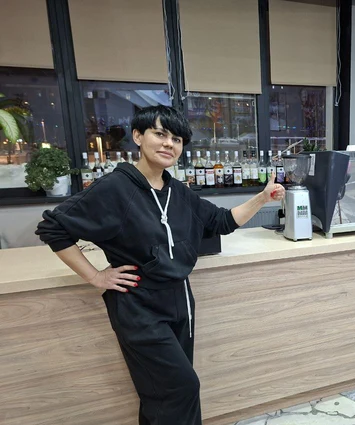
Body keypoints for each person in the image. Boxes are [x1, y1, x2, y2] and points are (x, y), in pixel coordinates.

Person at [35, 105, 285, 425]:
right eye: (160, 134)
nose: (169, 144)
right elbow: (53, 228)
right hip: (139, 308)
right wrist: (95, 276)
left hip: (180, 303)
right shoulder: (115, 188)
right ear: (138, 137)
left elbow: (222, 221)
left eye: (177, 139)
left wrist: (263, 198)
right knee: (181, 388)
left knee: (162, 395)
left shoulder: (177, 191)